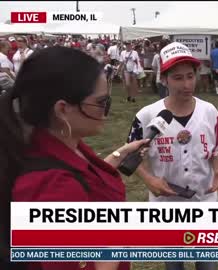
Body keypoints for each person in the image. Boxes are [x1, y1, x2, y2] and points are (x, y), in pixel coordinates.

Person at [0, 46, 150, 270]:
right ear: (62, 110)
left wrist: (119, 155)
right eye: (101, 103)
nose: (106, 111)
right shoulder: (55, 187)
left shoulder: (62, 144)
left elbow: (83, 177)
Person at [126, 42, 218, 270]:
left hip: (205, 203)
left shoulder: (210, 112)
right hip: (167, 207)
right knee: (174, 265)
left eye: (190, 76)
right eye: (178, 78)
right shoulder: (147, 115)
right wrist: (149, 179)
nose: (186, 84)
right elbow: (129, 153)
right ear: (164, 79)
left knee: (208, 265)